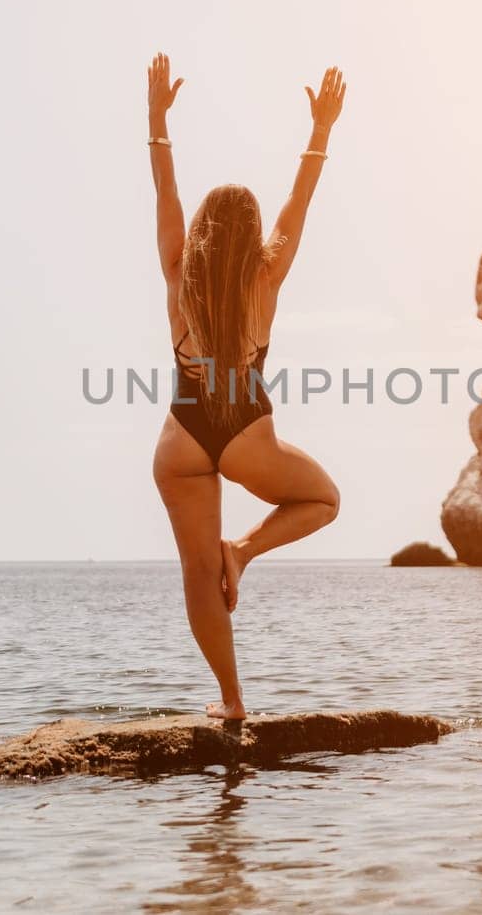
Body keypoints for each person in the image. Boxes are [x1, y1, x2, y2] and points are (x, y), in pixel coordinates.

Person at [146, 51, 345, 720]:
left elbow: (165, 193)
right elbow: (301, 198)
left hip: (181, 442)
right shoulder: (267, 277)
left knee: (198, 576)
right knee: (324, 499)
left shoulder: (179, 274)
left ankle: (232, 703)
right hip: (244, 441)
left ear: (202, 233)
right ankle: (247, 549)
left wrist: (156, 120)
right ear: (253, 236)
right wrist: (320, 129)